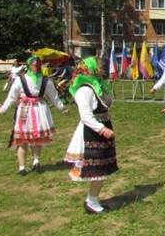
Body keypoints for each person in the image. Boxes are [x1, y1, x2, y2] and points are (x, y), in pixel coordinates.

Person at [0, 56, 67, 175]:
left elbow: (54, 97)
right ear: (29, 66)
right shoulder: (21, 80)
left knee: (36, 139)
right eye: (35, 65)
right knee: (21, 139)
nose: (38, 67)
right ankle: (22, 167)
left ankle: (36, 161)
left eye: (39, 65)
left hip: (39, 109)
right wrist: (2, 110)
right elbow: (11, 98)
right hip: (25, 110)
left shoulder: (46, 80)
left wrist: (62, 108)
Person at [64, 57, 118, 214]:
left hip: (100, 129)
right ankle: (92, 202)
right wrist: (102, 129)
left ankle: (92, 199)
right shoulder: (85, 89)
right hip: (92, 133)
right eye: (100, 66)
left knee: (102, 169)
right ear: (92, 68)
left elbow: (107, 104)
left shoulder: (96, 86)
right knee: (98, 170)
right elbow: (86, 116)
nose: (103, 68)